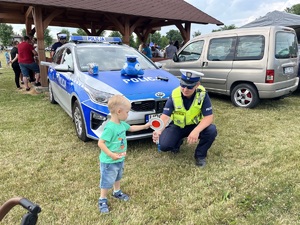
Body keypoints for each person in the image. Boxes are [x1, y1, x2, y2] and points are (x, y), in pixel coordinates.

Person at [152, 69, 217, 167]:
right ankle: (177, 142)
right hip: (178, 126)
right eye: (182, 85)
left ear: (197, 84)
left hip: (194, 125)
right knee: (164, 146)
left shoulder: (202, 94)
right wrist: (159, 130)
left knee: (211, 130)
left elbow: (209, 117)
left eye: (190, 87)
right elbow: (165, 116)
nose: (185, 89)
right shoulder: (175, 94)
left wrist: (196, 131)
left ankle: (200, 156)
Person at [97, 95, 150, 213]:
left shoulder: (121, 124)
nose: (128, 114)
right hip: (109, 161)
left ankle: (117, 192)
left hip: (119, 158)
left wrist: (145, 126)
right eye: (127, 112)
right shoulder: (110, 128)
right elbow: (101, 143)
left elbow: (131, 128)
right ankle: (102, 198)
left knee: (117, 176)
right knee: (107, 180)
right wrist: (111, 154)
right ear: (119, 111)